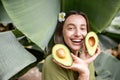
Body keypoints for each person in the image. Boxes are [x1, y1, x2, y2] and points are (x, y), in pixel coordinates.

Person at [42, 10, 101, 80]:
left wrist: (84, 63)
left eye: (82, 28)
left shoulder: (87, 59)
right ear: (61, 32)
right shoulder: (52, 62)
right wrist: (83, 74)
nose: (78, 34)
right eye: (71, 28)